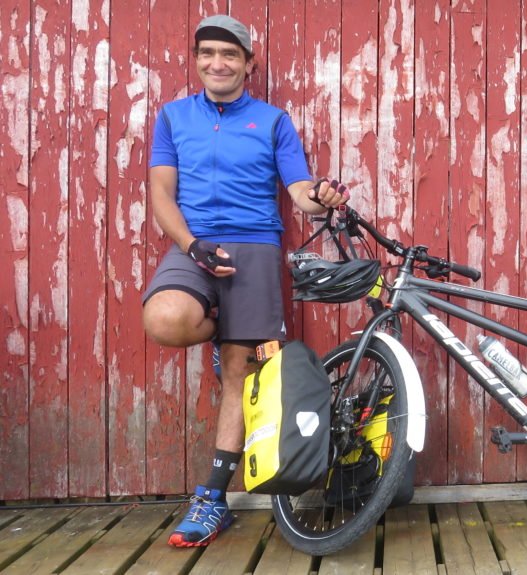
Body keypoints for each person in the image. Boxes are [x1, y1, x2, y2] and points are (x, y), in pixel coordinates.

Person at [141, 14, 347, 548]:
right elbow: (161, 193)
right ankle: (218, 325)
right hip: (196, 244)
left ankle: (211, 500)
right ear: (196, 60)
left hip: (255, 247)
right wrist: (191, 245)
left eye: (230, 55)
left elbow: (298, 187)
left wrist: (319, 194)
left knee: (239, 375)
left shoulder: (274, 120)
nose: (218, 63)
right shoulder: (173, 117)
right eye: (208, 53)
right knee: (165, 319)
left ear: (249, 64)